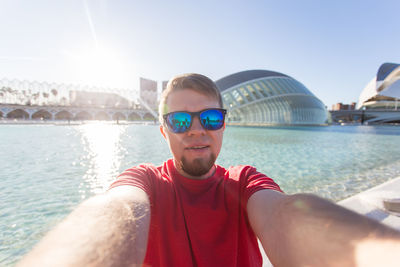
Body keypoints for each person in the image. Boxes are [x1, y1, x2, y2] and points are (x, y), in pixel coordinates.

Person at [18, 73, 400, 267]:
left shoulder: (245, 181)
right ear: (163, 127)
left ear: (224, 123)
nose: (198, 130)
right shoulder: (146, 182)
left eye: (211, 117)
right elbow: (114, 211)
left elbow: (286, 216)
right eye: (181, 120)